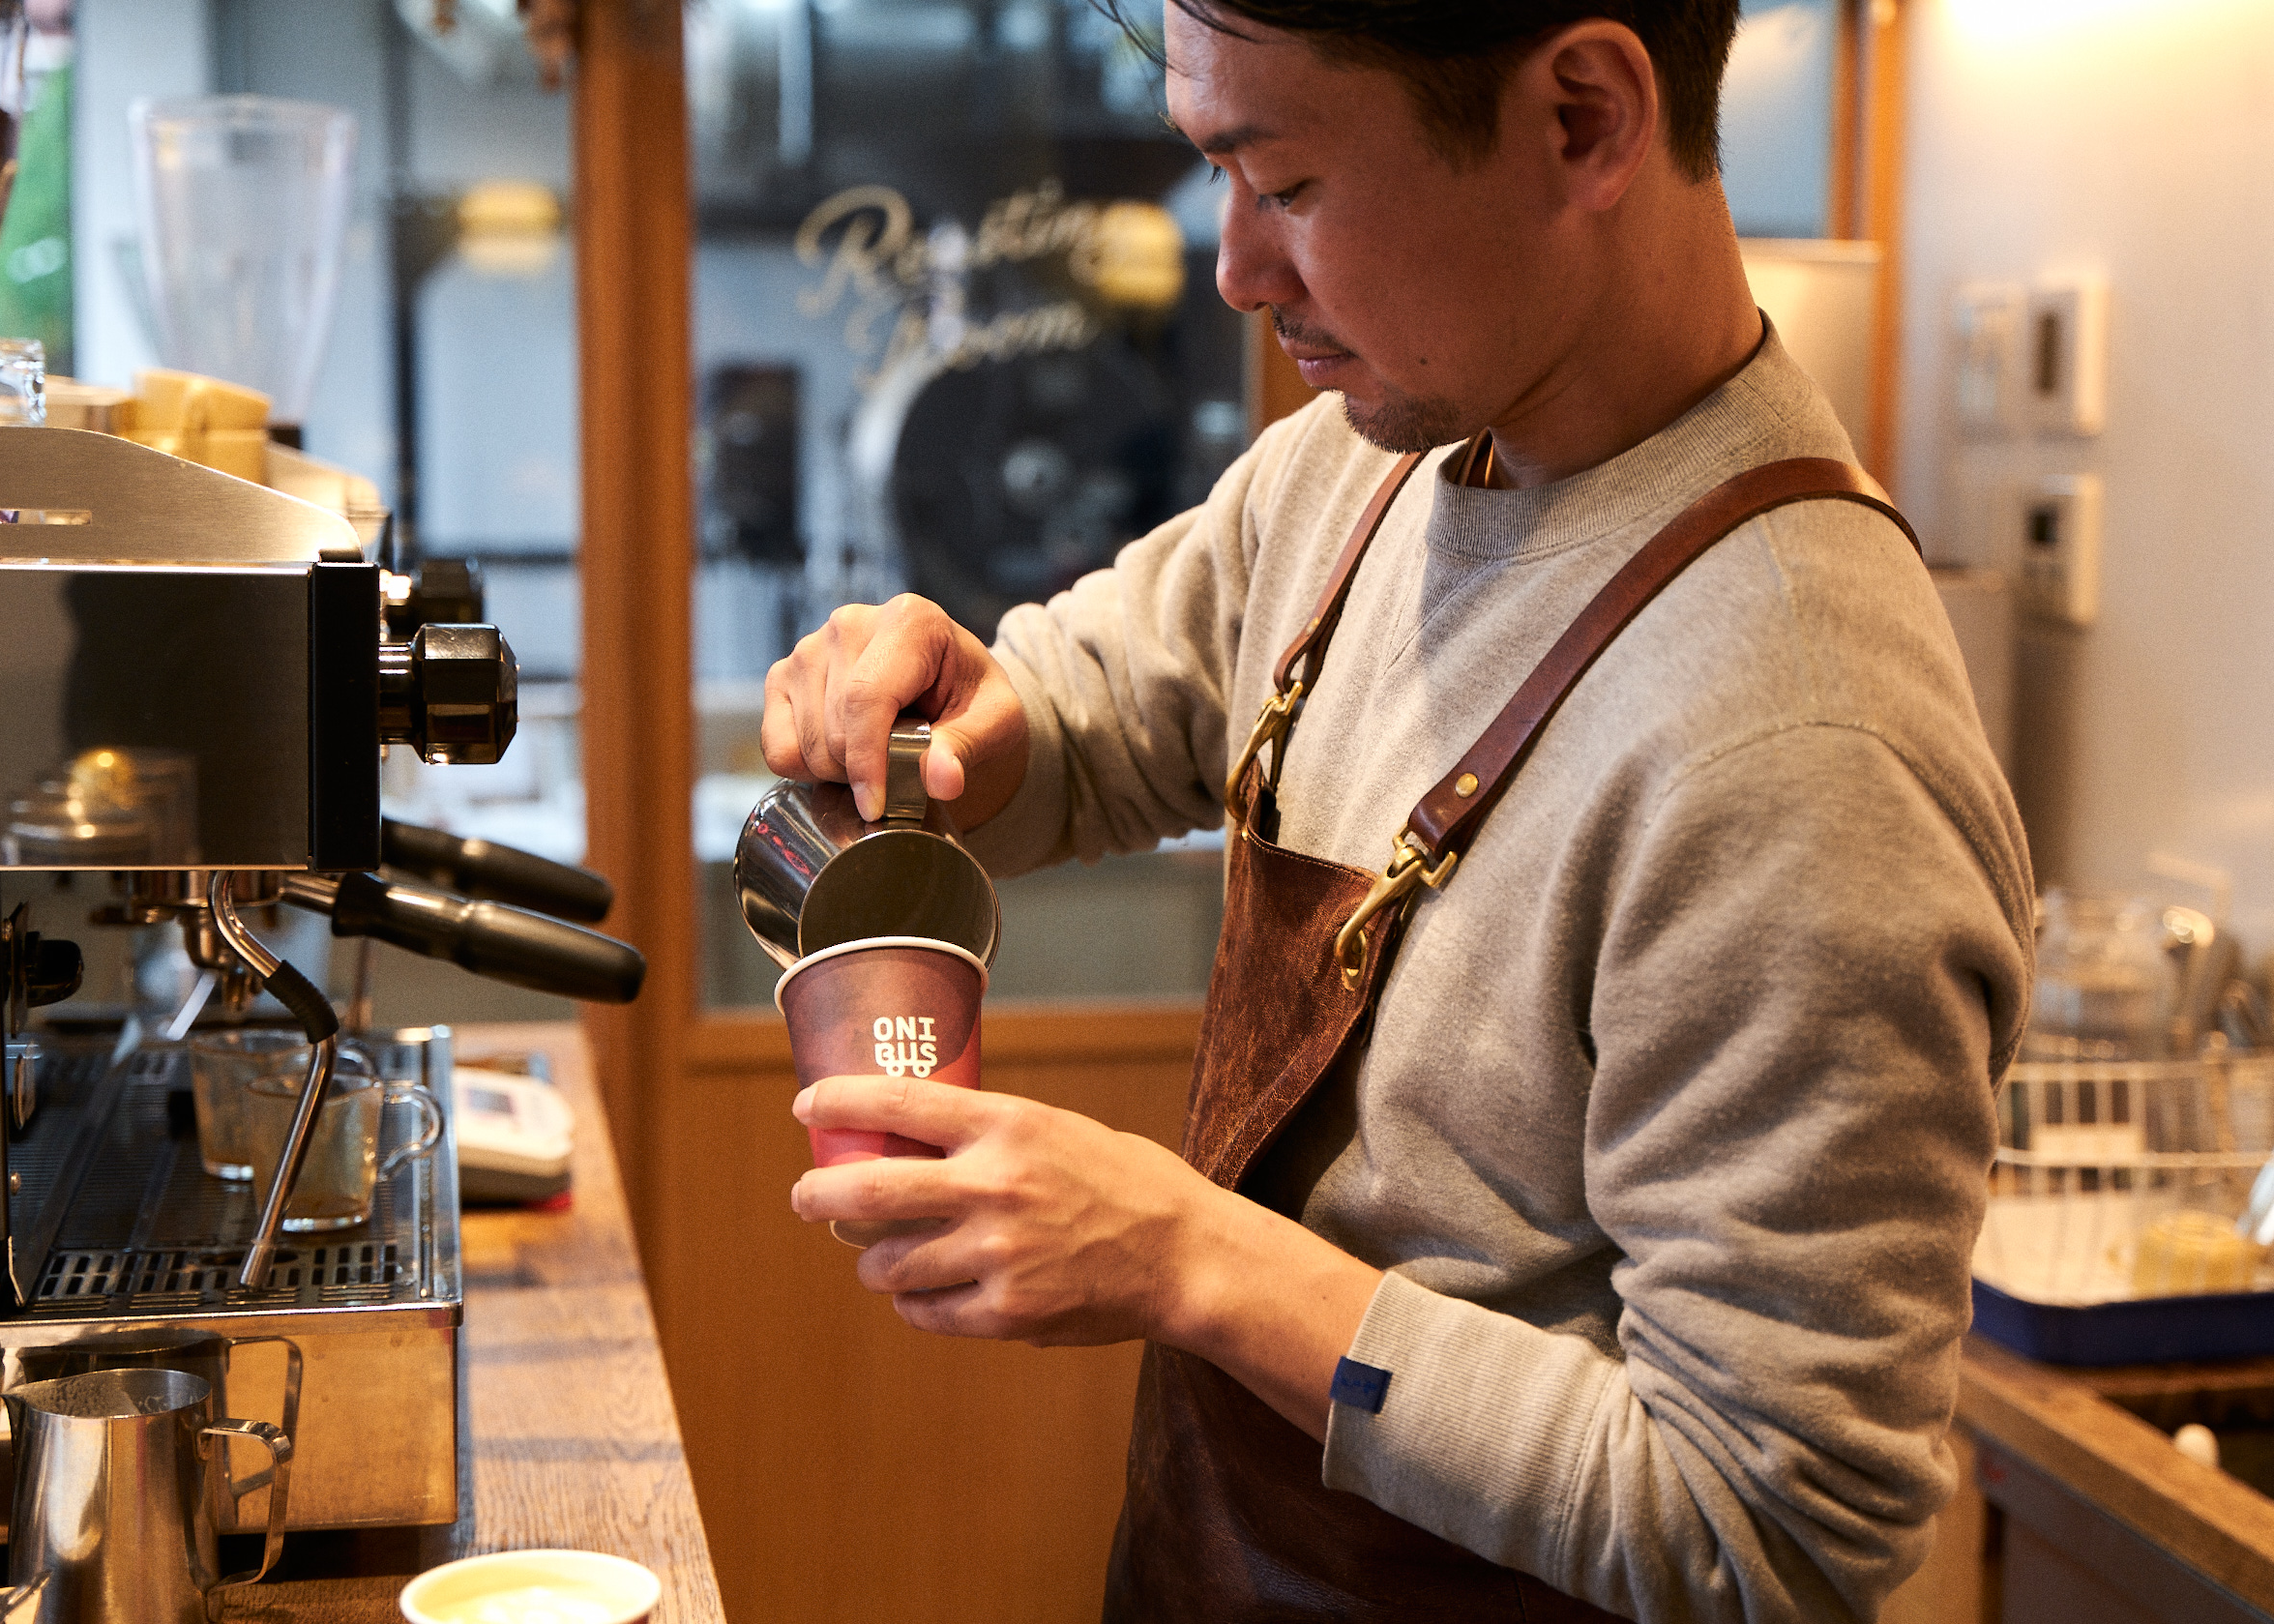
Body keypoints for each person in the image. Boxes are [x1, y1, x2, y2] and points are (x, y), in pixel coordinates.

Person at [761, 3, 2034, 1620]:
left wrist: (1188, 1260)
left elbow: (1760, 1531)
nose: (1233, 269)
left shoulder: (1798, 742)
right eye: (1213, 171)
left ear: (1583, 117)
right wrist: (959, 726)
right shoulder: (1362, 471)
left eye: (1285, 183)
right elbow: (1103, 709)